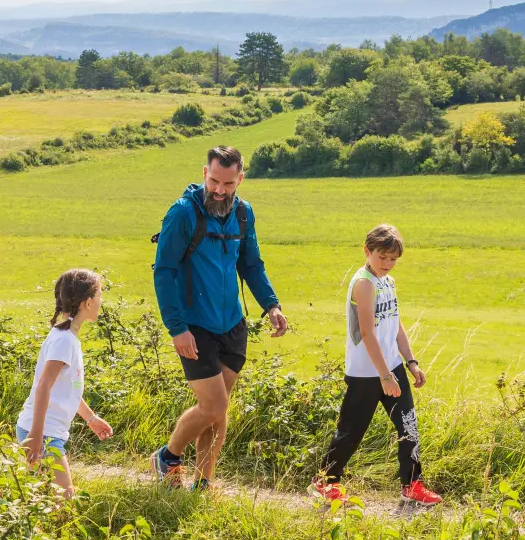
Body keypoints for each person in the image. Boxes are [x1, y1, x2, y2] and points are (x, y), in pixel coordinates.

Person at [151, 145, 288, 489]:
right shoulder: (182, 214)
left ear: (240, 179)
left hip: (232, 324)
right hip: (194, 327)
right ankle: (167, 456)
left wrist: (271, 304)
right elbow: (164, 271)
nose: (219, 190)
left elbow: (251, 264)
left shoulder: (243, 214)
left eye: (228, 184)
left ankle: (203, 483)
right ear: (204, 174)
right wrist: (177, 328)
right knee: (213, 405)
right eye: (214, 181)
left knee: (218, 410)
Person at [309, 224, 442, 507]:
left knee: (409, 426)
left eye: (393, 259)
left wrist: (411, 362)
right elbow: (368, 333)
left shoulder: (388, 282)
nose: (388, 264)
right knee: (352, 431)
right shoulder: (364, 283)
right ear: (367, 251)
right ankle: (325, 482)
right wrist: (384, 375)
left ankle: (412, 485)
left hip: (390, 366)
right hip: (366, 372)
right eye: (382, 257)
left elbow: (395, 324)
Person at [16, 268, 113, 498]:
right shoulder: (64, 341)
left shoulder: (67, 338)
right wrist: (36, 435)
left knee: (42, 500)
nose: (101, 301)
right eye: (99, 295)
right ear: (87, 303)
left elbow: (67, 390)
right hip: (43, 432)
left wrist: (90, 418)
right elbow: (43, 387)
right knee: (64, 499)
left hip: (44, 430)